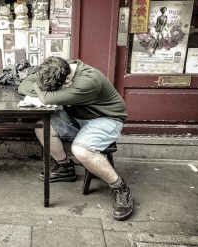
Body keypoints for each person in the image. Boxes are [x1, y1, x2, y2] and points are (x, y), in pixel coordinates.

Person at [18, 56, 133, 221]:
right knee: (42, 127)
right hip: (78, 117)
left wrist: (38, 86)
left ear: (68, 79)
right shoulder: (55, 69)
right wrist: (41, 84)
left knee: (81, 150)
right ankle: (65, 167)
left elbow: (46, 98)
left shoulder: (88, 80)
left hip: (106, 119)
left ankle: (120, 187)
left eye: (58, 87)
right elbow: (23, 86)